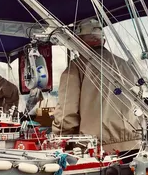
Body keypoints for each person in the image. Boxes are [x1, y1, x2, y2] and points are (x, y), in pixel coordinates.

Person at [52, 18, 140, 152]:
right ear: (103, 41)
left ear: (79, 41)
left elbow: (66, 113)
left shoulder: (77, 67)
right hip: (133, 145)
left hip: (95, 148)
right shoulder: (127, 66)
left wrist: (60, 137)